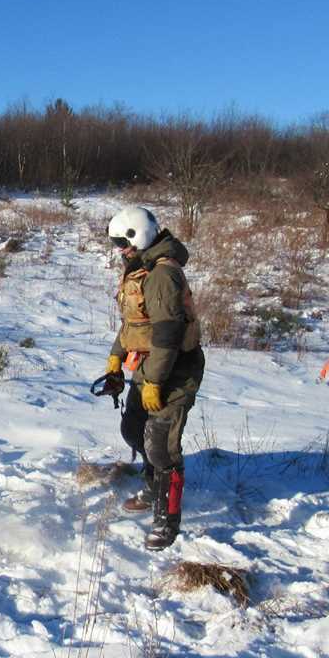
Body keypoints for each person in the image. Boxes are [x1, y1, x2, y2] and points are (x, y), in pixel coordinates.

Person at [103, 206, 204, 550]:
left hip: (175, 369)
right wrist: (117, 355)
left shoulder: (162, 274)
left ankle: (167, 521)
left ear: (138, 236)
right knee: (133, 429)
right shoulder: (141, 269)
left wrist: (156, 382)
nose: (120, 249)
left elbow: (167, 333)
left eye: (122, 242)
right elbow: (137, 324)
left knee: (161, 446)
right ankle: (152, 484)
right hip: (150, 365)